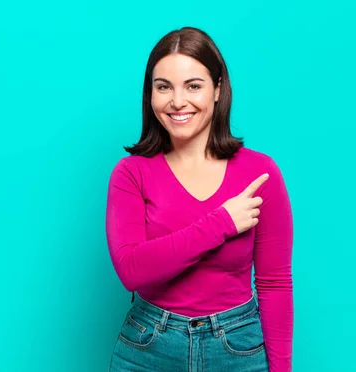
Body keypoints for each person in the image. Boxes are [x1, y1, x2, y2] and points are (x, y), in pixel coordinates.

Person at [105, 26, 294, 372]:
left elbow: (274, 284)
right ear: (150, 95)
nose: (178, 101)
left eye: (193, 85)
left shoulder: (260, 174)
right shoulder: (131, 174)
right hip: (149, 348)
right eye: (164, 87)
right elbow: (132, 270)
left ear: (218, 89)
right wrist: (221, 223)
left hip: (236, 348)